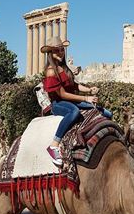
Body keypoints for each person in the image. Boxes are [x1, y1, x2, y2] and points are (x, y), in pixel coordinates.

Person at [41, 36, 112, 167]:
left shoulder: (64, 68)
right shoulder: (51, 72)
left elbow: (75, 86)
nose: (60, 53)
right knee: (73, 112)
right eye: (56, 50)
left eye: (61, 50)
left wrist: (89, 90)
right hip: (58, 104)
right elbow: (62, 94)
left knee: (106, 113)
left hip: (71, 100)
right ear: (50, 53)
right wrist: (85, 98)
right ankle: (54, 145)